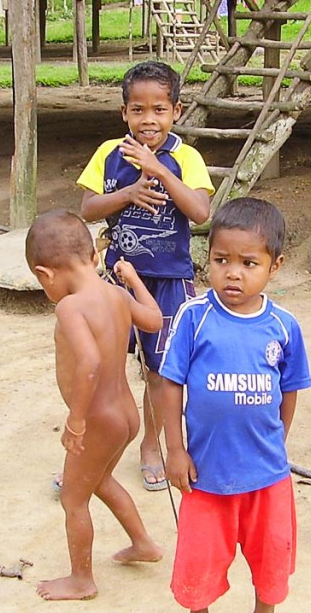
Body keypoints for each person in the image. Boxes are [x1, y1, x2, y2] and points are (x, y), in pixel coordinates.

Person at [161, 198, 311, 613]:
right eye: (221, 259)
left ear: (274, 266)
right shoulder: (194, 317)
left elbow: (290, 387)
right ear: (206, 258)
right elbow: (170, 385)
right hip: (205, 476)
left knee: (271, 563)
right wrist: (175, 450)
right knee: (199, 570)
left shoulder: (283, 327)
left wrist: (279, 440)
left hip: (267, 476)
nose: (233, 273)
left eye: (249, 263)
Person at [77, 60, 213, 492]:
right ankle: (96, 450)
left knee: (161, 371)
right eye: (138, 110)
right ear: (124, 113)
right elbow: (88, 208)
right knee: (106, 367)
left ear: (176, 110)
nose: (148, 120)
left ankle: (151, 447)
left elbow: (200, 211)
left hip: (169, 281)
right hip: (118, 277)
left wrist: (158, 171)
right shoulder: (108, 154)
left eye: (159, 110)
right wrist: (128, 193)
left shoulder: (186, 157)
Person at [25, 210, 164, 601]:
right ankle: (143, 544)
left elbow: (88, 362)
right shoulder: (116, 293)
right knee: (100, 481)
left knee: (73, 496)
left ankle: (81, 579)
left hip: (98, 419)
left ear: (45, 274)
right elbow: (153, 319)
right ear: (93, 258)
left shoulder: (70, 307)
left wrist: (76, 420)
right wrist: (135, 282)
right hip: (126, 416)